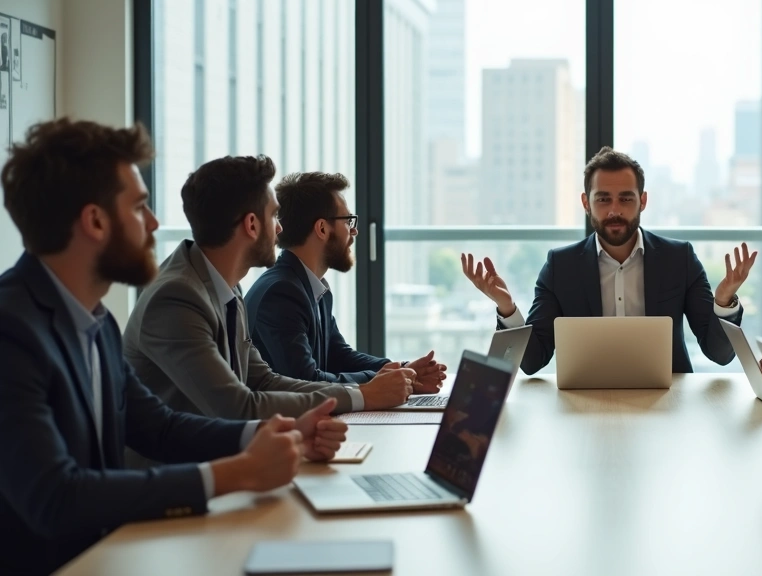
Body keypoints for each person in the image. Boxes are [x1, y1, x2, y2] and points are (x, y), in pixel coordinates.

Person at [0, 119, 347, 574]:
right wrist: (236, 472)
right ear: (95, 221)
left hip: (111, 553)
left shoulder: (95, 322)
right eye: (138, 206)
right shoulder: (11, 330)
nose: (154, 222)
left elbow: (159, 427)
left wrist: (280, 433)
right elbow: (56, 497)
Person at [124, 156, 418, 426]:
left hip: (224, 451)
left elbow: (264, 381)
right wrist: (363, 395)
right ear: (252, 225)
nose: (280, 229)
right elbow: (237, 407)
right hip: (186, 464)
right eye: (274, 216)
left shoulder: (226, 287)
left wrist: (364, 391)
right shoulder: (177, 297)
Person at [462, 146, 758, 375]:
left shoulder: (679, 259)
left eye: (626, 198)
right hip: (584, 402)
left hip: (668, 400)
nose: (614, 210)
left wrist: (723, 301)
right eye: (603, 199)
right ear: (586, 203)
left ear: (642, 201)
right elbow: (532, 361)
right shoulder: (560, 267)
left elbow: (720, 354)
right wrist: (507, 307)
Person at [245, 171, 446, 390]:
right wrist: (385, 380)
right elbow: (306, 379)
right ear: (322, 229)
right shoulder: (281, 293)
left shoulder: (311, 287)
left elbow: (338, 355)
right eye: (348, 221)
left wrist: (403, 369)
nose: (355, 231)